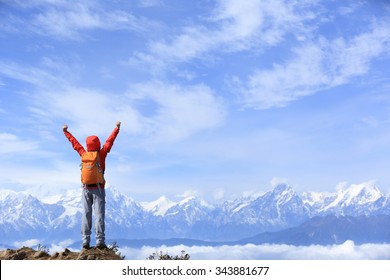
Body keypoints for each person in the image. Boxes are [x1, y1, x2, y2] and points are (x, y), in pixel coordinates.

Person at [63, 121, 121, 250]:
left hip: (85, 189)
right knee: (99, 215)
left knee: (86, 215)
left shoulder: (83, 154)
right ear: (98, 144)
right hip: (98, 189)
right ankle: (100, 241)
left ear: (88, 145)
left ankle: (85, 242)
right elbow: (110, 141)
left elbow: (75, 143)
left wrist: (66, 132)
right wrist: (117, 128)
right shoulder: (101, 154)